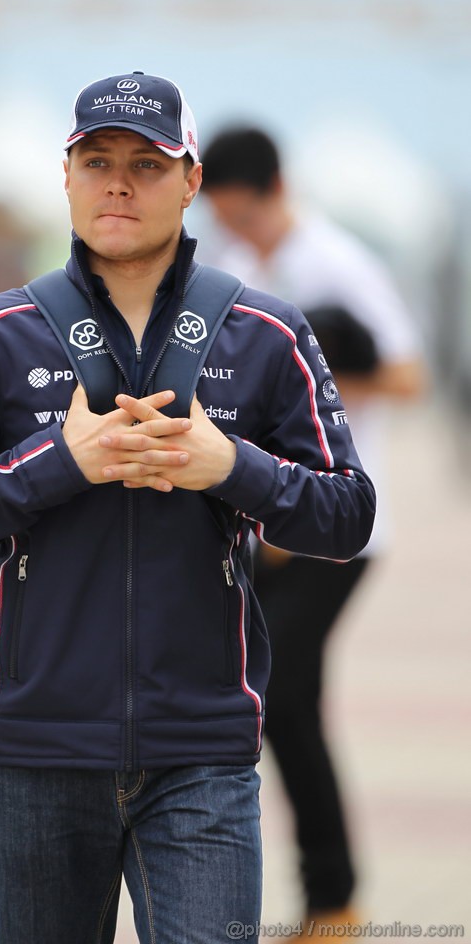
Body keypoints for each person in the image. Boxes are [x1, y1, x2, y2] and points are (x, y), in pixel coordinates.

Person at [0, 73, 376, 944]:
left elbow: (346, 516)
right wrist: (57, 464)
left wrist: (232, 467)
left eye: (148, 164)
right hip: (35, 747)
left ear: (190, 184)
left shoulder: (267, 332)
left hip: (204, 751)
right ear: (64, 175)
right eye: (97, 160)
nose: (119, 183)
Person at [200, 126, 425, 934]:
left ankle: (332, 900)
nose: (239, 232)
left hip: (344, 528)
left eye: (246, 216)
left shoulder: (338, 263)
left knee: (279, 692)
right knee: (277, 700)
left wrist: (318, 380)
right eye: (224, 218)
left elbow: (407, 375)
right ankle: (323, 898)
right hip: (273, 529)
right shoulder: (248, 268)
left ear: (277, 189)